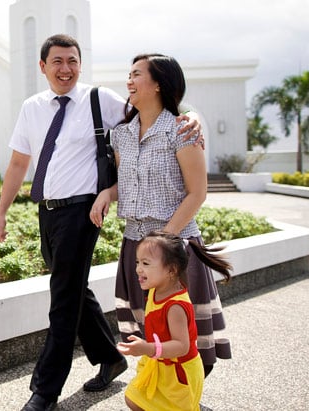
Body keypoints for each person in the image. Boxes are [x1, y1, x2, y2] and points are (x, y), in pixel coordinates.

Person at [0, 36, 203, 411]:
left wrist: (192, 115)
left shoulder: (99, 100)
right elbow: (20, 164)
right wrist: (1, 211)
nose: (65, 68)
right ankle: (110, 355)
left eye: (72, 60)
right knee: (71, 287)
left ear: (80, 64)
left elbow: (154, 107)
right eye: (57, 61)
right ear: (43, 67)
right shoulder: (32, 108)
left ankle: (45, 390)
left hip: (84, 210)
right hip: (48, 210)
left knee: (62, 298)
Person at [90, 53, 231, 379]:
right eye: (129, 74)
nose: (129, 81)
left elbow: (198, 192)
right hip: (135, 247)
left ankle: (184, 394)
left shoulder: (181, 129)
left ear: (157, 84)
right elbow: (128, 186)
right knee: (151, 332)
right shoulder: (122, 135)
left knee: (187, 338)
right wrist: (106, 194)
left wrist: (162, 242)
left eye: (137, 74)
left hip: (174, 246)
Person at [116, 230, 232, 411]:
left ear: (171, 270)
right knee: (134, 399)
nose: (138, 268)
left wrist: (147, 348)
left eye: (146, 263)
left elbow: (181, 346)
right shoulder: (156, 289)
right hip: (161, 364)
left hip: (178, 375)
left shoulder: (175, 306)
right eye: (137, 262)